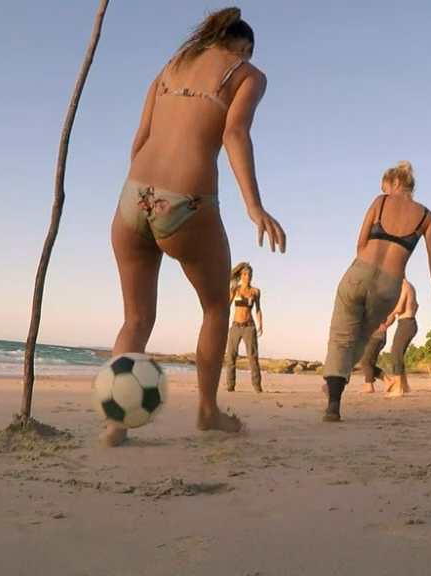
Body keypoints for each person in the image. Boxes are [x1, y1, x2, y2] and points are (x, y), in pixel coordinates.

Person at [103, 7, 286, 446]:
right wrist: (254, 206)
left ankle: (117, 423)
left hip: (133, 196)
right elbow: (234, 134)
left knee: (136, 318)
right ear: (243, 48)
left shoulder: (170, 66)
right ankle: (206, 411)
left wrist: (145, 201)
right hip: (186, 200)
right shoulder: (248, 74)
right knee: (215, 308)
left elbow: (139, 140)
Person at [320, 161, 431, 421]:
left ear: (395, 184)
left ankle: (333, 401)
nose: (384, 191)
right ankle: (336, 383)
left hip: (360, 272)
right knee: (361, 339)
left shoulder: (379, 203)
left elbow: (360, 244)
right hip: (390, 286)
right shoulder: (426, 216)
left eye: (385, 187)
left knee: (341, 337)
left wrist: (364, 270)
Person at [225, 262, 264, 393]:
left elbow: (258, 309)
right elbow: (226, 307)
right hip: (236, 326)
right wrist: (223, 322)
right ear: (241, 275)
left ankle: (257, 386)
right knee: (230, 356)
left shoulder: (255, 291)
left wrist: (261, 324)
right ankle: (230, 386)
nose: (248, 276)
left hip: (249, 327)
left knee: (253, 357)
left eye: (249, 274)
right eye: (245, 274)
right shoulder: (235, 290)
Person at [377, 278, 419, 397]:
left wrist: (387, 317)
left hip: (406, 323)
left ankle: (399, 388)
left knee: (395, 353)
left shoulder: (403, 285)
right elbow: (416, 305)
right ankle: (404, 386)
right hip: (409, 322)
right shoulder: (409, 286)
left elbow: (399, 308)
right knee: (399, 354)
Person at [358, 328, 388, 394]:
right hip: (372, 336)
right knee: (367, 363)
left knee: (366, 361)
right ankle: (388, 381)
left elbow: (391, 317)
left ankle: (369, 386)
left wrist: (385, 325)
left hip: (377, 336)